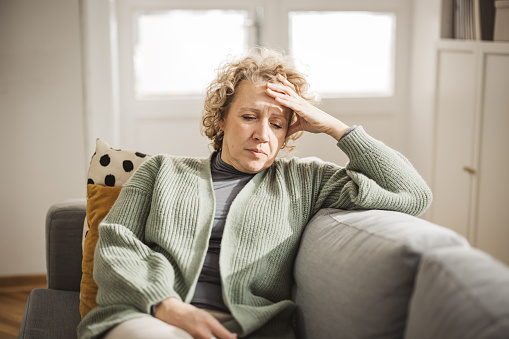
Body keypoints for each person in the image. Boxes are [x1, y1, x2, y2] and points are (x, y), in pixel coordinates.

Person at [77, 48, 432, 339]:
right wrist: (166, 305)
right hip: (152, 315)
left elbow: (412, 194)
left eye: (277, 124)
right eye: (249, 116)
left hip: (250, 328)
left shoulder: (305, 180)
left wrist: (336, 128)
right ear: (221, 119)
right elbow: (116, 241)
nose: (263, 134)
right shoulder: (162, 169)